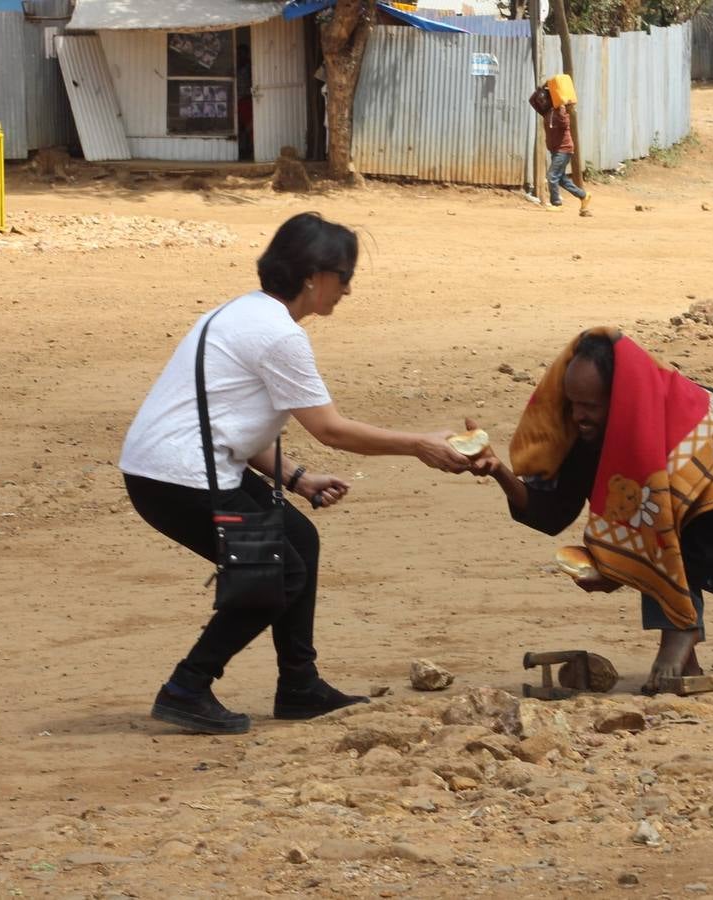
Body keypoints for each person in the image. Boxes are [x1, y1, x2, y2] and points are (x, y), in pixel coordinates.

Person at [120, 212, 471, 735]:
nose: (347, 290)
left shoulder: (239, 313)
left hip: (171, 466)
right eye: (344, 277)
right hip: (179, 476)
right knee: (275, 574)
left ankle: (299, 687)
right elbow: (331, 429)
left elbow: (227, 419)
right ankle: (187, 686)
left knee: (297, 541)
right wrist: (419, 444)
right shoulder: (278, 336)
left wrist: (295, 478)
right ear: (315, 275)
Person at [465, 329, 713, 693]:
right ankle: (685, 653)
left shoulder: (672, 437)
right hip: (669, 490)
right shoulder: (582, 428)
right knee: (654, 525)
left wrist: (625, 572)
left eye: (591, 406)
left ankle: (681, 633)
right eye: (572, 403)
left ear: (621, 400)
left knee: (663, 527)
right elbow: (552, 512)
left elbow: (703, 531)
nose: (578, 415)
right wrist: (498, 470)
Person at [542, 100, 590, 213]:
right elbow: (534, 101)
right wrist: (543, 89)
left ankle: (556, 203)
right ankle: (583, 195)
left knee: (552, 175)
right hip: (555, 150)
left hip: (564, 149)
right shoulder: (548, 111)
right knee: (562, 179)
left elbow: (564, 123)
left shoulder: (563, 113)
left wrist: (562, 109)